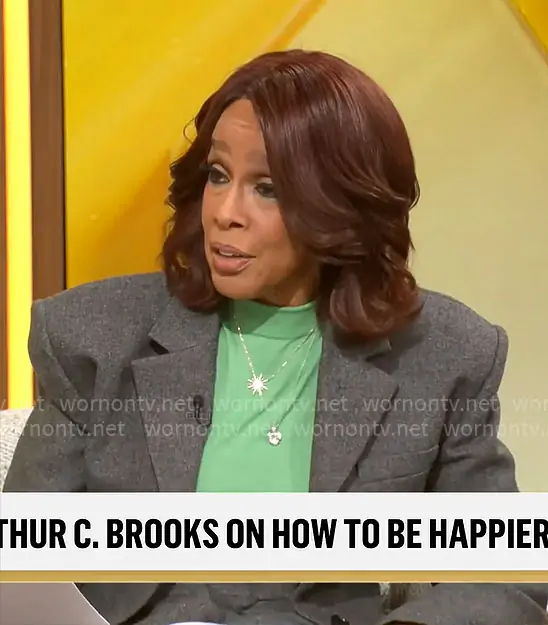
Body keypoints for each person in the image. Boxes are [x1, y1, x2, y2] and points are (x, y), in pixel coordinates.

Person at [4, 49, 547, 625]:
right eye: (218, 175)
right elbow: (22, 560)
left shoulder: (442, 355)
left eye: (267, 188)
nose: (225, 212)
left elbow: (505, 578)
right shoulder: (95, 336)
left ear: (341, 205)